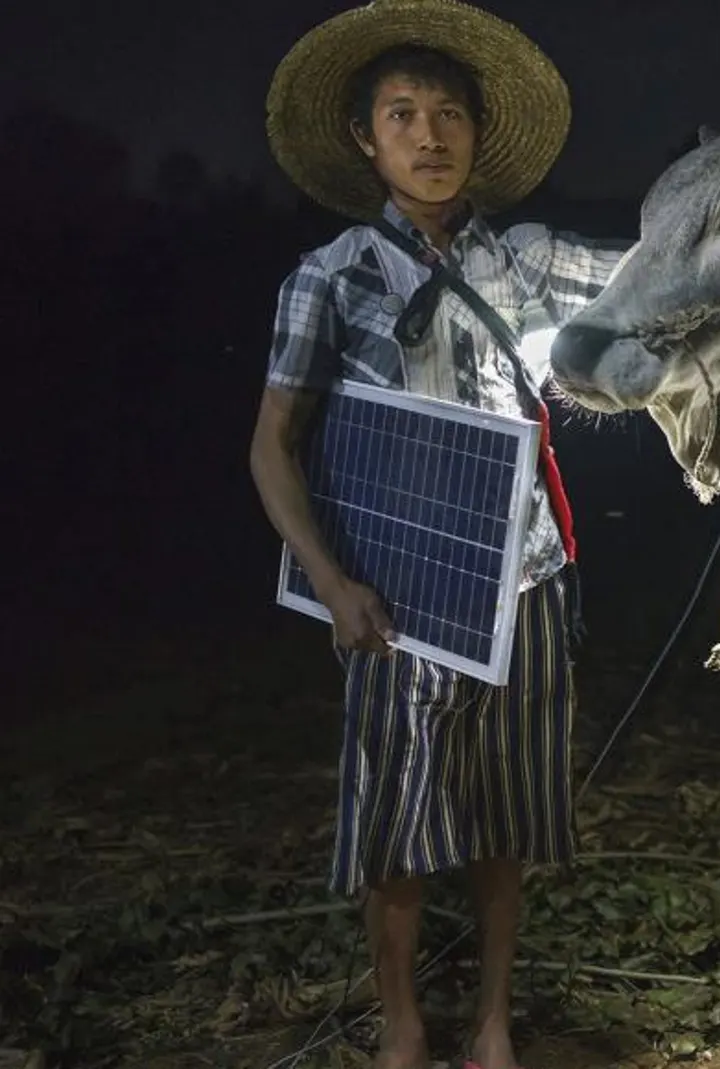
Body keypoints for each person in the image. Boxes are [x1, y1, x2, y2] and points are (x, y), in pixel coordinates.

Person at [248, 3, 629, 1067]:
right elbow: (273, 447)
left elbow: (651, 282)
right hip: (396, 597)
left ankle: (494, 1025)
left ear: (475, 135)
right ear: (368, 140)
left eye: (448, 113)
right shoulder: (330, 275)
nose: (429, 136)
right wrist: (331, 582)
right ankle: (402, 1024)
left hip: (526, 584)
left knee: (508, 818)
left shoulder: (527, 258)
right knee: (399, 828)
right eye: (402, 114)